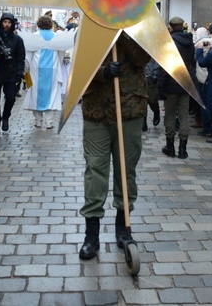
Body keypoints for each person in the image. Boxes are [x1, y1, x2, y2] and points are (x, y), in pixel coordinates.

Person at [78, 33, 150, 260]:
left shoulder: (137, 26)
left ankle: (124, 228)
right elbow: (79, 70)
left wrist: (125, 34)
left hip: (128, 108)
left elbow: (142, 59)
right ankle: (91, 235)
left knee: (125, 170)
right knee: (95, 170)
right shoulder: (89, 28)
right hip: (96, 111)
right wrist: (103, 73)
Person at [21, 15, 74, 129]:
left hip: (36, 69)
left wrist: (26, 69)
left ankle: (38, 121)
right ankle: (49, 122)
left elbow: (28, 54)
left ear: (39, 24)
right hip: (53, 69)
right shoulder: (56, 37)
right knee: (52, 94)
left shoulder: (34, 36)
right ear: (51, 25)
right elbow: (61, 53)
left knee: (35, 94)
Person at [157, 16, 195, 159]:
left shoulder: (169, 42)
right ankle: (183, 150)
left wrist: (160, 85)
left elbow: (165, 65)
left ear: (171, 27)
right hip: (185, 83)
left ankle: (170, 147)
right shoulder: (189, 42)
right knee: (184, 115)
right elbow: (191, 62)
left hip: (171, 83)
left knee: (170, 115)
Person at [0, 12, 26, 136]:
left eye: (9, 22)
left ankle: (6, 116)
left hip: (10, 73)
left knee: (11, 98)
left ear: (12, 24)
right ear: (1, 22)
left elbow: (20, 57)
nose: (7, 25)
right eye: (5, 22)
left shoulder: (17, 39)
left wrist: (19, 73)